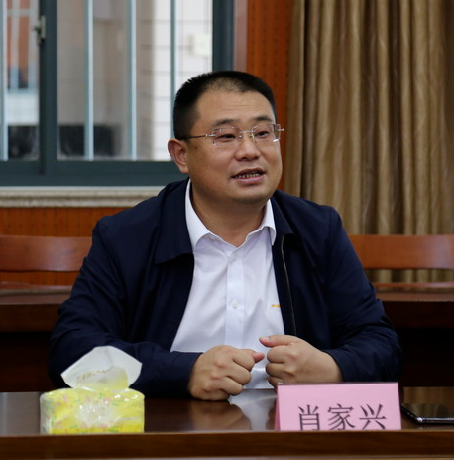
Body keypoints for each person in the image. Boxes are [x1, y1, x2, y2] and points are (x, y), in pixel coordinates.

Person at [49, 71, 402, 400]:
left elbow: (381, 343)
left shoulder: (318, 230)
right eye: (226, 136)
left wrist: (333, 368)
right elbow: (74, 352)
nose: (250, 150)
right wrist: (184, 371)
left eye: (262, 133)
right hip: (172, 430)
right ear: (181, 155)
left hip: (288, 431)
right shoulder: (127, 237)